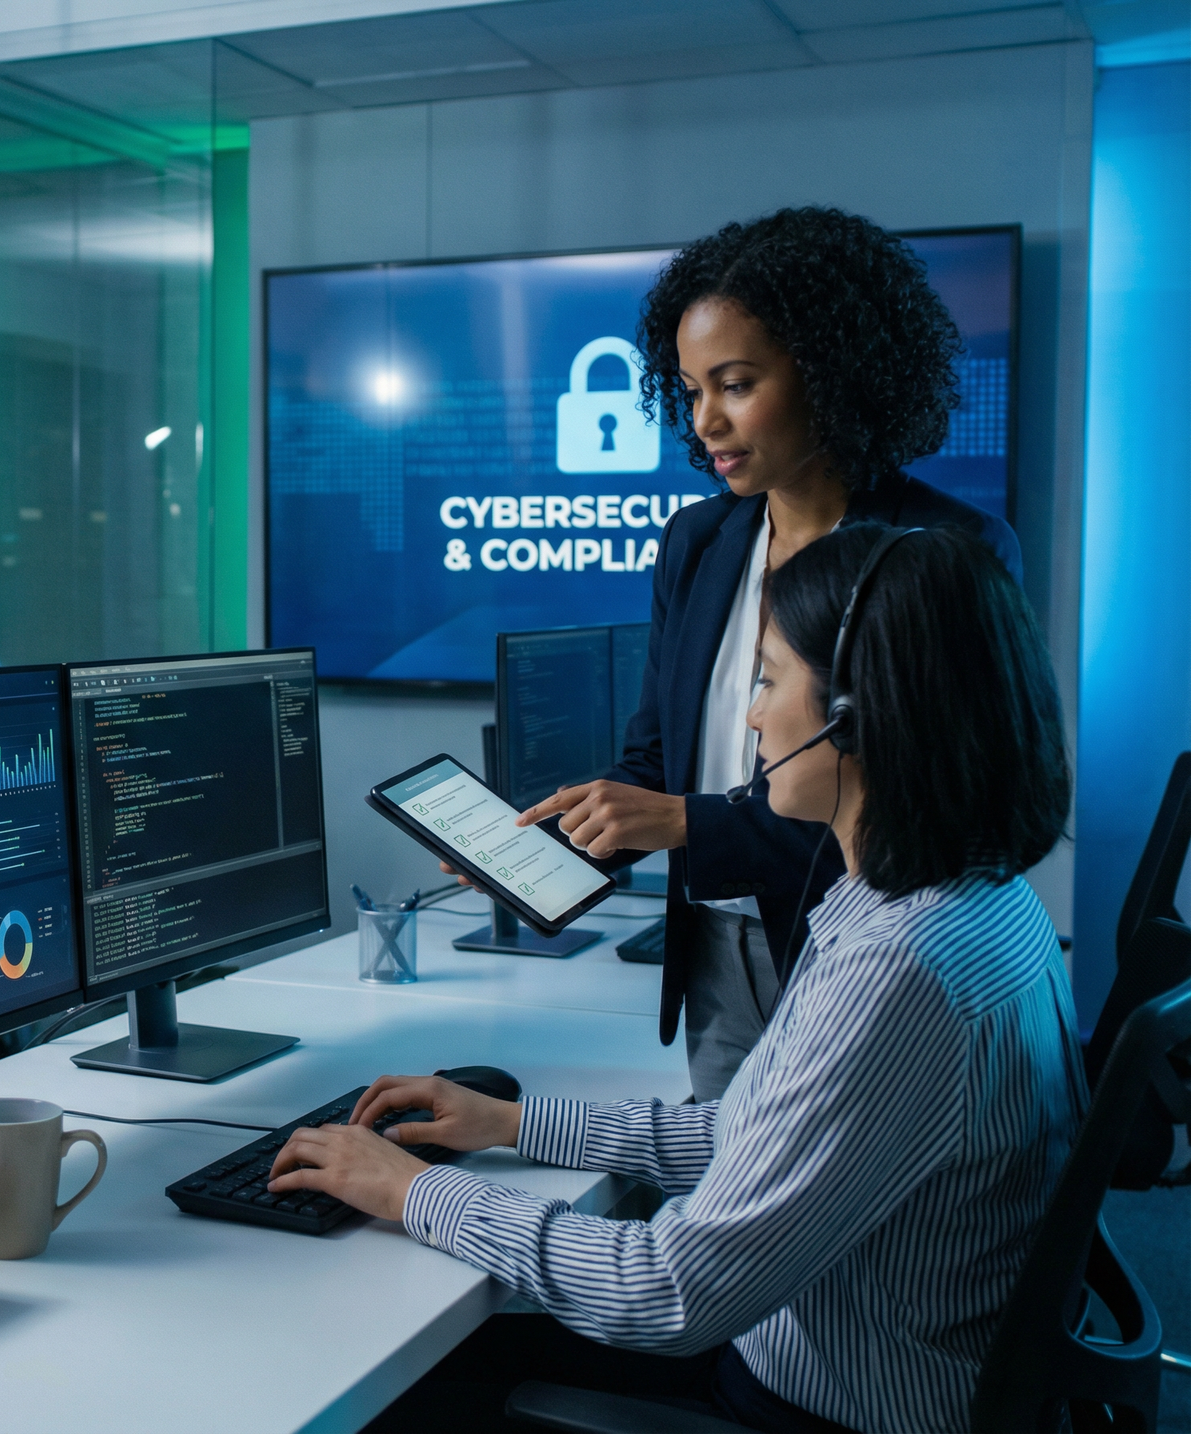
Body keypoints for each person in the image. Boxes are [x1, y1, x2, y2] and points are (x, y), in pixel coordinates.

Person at [280, 523, 1081, 1433]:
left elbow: (665, 1294)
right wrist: (512, 1124)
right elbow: (762, 1135)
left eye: (769, 681)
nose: (749, 719)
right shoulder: (966, 900)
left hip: (818, 1406)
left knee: (407, 1391)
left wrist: (412, 1191)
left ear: (855, 715)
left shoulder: (900, 974)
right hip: (839, 1353)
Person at [527, 207, 1024, 1101]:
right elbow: (658, 759)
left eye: (736, 383)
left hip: (864, 951)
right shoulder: (696, 543)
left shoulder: (944, 552)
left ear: (829, 374)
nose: (706, 421)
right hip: (713, 947)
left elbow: (939, 805)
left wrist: (690, 822)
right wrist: (548, 844)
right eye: (688, 391)